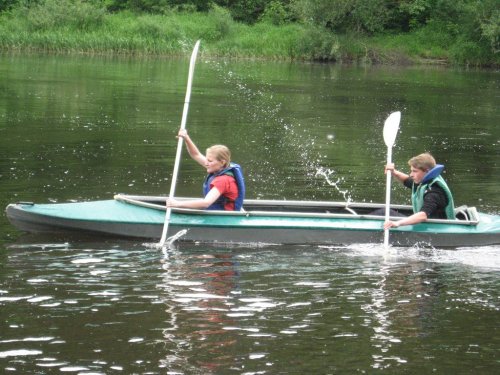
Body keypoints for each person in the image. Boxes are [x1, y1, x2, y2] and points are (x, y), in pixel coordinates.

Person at [167, 129, 245, 211]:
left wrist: (177, 204)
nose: (206, 163)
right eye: (207, 159)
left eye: (210, 161)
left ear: (222, 162)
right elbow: (196, 154)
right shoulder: (219, 167)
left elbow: (206, 203)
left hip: (223, 218)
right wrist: (186, 138)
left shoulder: (223, 180)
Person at [384, 152, 455, 229]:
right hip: (426, 226)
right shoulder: (425, 181)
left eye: (414, 171)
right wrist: (394, 172)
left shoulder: (435, 191)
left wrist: (397, 223)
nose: (411, 174)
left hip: (435, 229)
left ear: (427, 171)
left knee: (381, 212)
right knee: (383, 211)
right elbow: (407, 181)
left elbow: (423, 216)